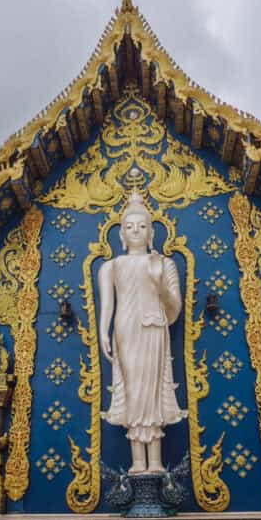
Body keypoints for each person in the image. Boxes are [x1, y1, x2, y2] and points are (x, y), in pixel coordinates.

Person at [99, 190, 187, 474]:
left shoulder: (164, 263)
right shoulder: (111, 266)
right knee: (134, 391)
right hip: (125, 330)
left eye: (141, 226)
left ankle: (156, 463)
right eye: (129, 227)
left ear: (152, 233)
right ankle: (138, 463)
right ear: (121, 235)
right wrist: (103, 332)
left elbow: (174, 308)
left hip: (154, 329)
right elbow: (107, 306)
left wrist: (158, 281)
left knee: (152, 391)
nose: (135, 231)